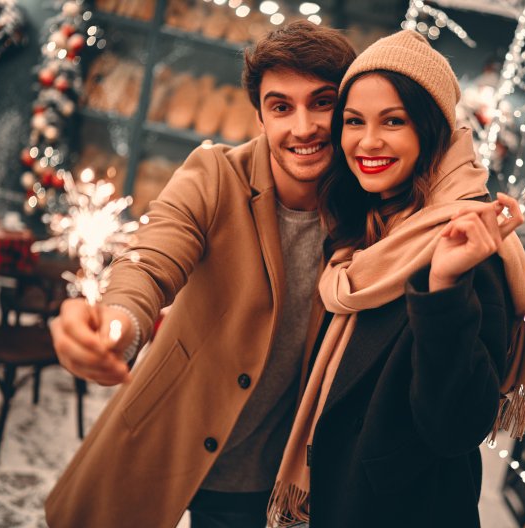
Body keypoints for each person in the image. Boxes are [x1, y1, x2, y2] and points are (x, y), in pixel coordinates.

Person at [44, 22, 356, 528]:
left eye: (323, 102)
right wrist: (118, 326)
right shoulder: (215, 175)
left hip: (257, 477)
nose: (303, 127)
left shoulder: (366, 217)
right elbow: (151, 258)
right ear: (260, 117)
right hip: (161, 439)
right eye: (281, 107)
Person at [267, 30, 525, 528]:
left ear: (431, 130)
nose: (367, 141)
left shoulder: (466, 241)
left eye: (393, 121)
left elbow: (454, 428)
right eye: (353, 122)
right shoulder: (374, 225)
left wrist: (446, 288)